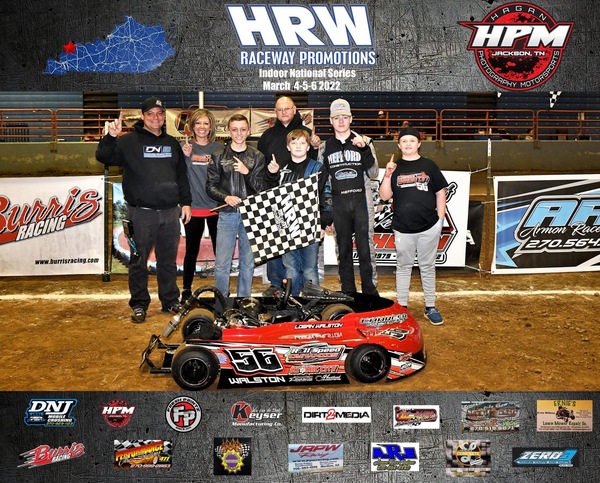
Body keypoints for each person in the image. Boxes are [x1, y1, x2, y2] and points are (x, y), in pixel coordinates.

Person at [96, 97, 192, 323]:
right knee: (138, 261)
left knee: (167, 261)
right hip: (141, 213)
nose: (155, 118)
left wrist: (186, 202)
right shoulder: (127, 142)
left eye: (159, 113)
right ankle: (139, 304)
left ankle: (170, 301)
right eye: (150, 113)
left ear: (164, 116)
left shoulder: (172, 143)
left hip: (170, 213)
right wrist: (111, 137)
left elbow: (181, 175)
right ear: (142, 116)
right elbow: (103, 156)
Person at [378, 125, 448, 325]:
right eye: (404, 141)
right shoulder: (395, 167)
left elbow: (440, 193)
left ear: (419, 144)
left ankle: (430, 306)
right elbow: (385, 196)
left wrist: (440, 220)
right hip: (403, 227)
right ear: (399, 145)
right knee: (403, 266)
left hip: (429, 226)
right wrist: (388, 174)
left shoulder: (429, 165)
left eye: (412, 140)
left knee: (427, 267)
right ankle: (402, 307)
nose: (408, 144)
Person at [258, 96, 321, 296]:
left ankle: (310, 295)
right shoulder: (267, 136)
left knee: (308, 265)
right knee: (283, 255)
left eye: (287, 108)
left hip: (307, 212)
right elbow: (263, 170)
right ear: (275, 112)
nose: (284, 112)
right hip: (280, 204)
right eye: (280, 109)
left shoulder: (308, 134)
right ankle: (278, 285)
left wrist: (323, 219)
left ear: (295, 109)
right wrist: (271, 174)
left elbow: (321, 185)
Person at [318, 98, 379, 295]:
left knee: (365, 249)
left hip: (362, 202)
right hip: (339, 205)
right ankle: (348, 291)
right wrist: (326, 215)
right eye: (337, 118)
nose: (341, 121)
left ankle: (370, 292)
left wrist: (364, 149)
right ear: (331, 121)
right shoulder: (324, 147)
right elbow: (322, 183)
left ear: (351, 118)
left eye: (345, 117)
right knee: (343, 250)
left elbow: (374, 173)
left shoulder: (366, 141)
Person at [206, 114, 268, 297]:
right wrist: (225, 198)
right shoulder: (218, 156)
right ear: (228, 131)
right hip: (227, 214)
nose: (239, 133)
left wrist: (246, 172)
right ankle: (221, 301)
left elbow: (261, 188)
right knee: (222, 263)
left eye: (242, 129)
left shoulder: (257, 156)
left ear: (249, 131)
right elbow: (210, 186)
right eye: (234, 129)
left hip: (251, 214)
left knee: (247, 263)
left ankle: (244, 300)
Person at [266, 129, 332, 296]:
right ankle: (292, 302)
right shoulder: (280, 167)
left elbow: (326, 195)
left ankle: (313, 303)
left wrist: (323, 223)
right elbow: (270, 196)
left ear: (308, 146)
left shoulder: (317, 168)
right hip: (287, 225)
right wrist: (272, 175)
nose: (298, 146)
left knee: (310, 268)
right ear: (288, 146)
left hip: (311, 224)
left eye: (302, 143)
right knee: (291, 267)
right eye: (294, 142)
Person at [180, 108, 221, 302]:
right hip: (193, 208)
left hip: (216, 208)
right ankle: (186, 290)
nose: (202, 127)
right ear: (192, 126)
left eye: (206, 123)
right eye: (198, 123)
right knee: (191, 251)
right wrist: (184, 155)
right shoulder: (185, 147)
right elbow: (179, 176)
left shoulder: (219, 148)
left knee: (220, 252)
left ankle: (221, 290)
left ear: (211, 126)